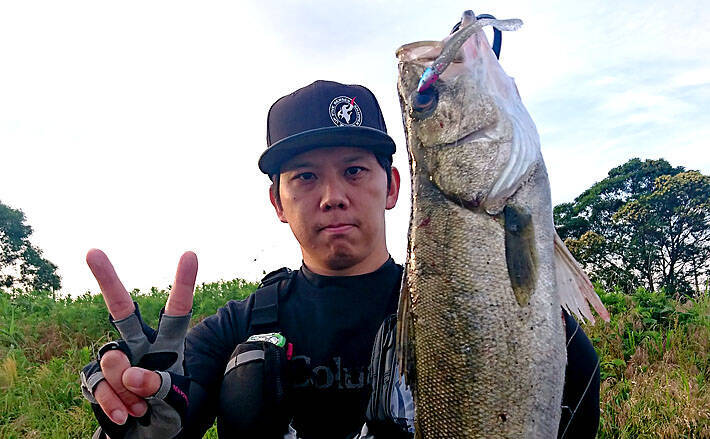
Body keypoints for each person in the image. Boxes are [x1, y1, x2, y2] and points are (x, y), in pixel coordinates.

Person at [79, 80, 600, 439]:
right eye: (305, 177)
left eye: (354, 170)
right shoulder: (235, 329)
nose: (332, 197)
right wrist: (131, 409)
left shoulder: (498, 318)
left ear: (392, 186)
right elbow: (166, 410)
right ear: (277, 202)